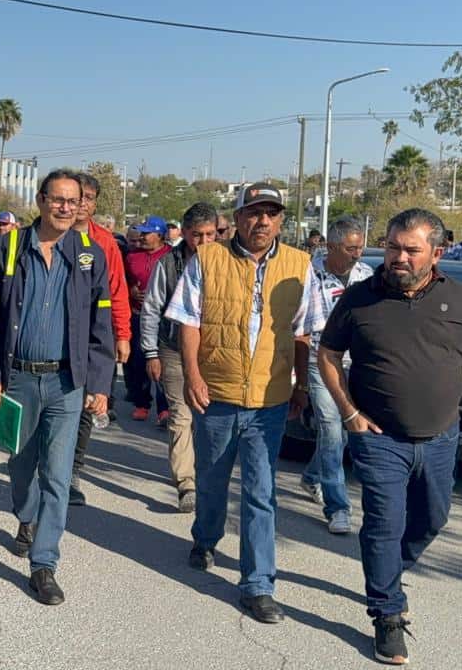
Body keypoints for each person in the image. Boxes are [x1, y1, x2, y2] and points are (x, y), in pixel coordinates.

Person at [318, 208, 462, 665]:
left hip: (442, 438)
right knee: (384, 522)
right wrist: (348, 413)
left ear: (436, 253)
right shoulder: (360, 298)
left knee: (432, 519)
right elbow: (327, 354)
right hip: (379, 438)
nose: (397, 257)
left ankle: (387, 567)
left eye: (410, 250)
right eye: (392, 246)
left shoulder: (461, 299)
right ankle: (387, 613)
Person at [165, 181, 312, 624]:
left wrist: (302, 386)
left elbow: (303, 333)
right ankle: (206, 536)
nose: (262, 221)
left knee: (261, 492)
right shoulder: (208, 259)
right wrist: (192, 374)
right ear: (239, 216)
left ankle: (258, 584)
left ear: (281, 219)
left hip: (269, 400)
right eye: (253, 212)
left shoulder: (300, 266)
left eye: (271, 213)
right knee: (211, 479)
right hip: (217, 395)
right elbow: (189, 322)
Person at [0, 169, 115, 605]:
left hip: (67, 383)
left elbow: (100, 323)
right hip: (17, 377)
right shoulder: (8, 247)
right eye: (58, 200)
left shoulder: (90, 255)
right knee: (20, 467)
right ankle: (26, 515)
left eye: (73, 201)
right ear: (40, 200)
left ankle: (44, 563)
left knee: (58, 473)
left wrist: (100, 381)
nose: (66, 208)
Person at [142, 202, 218, 513]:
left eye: (210, 235)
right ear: (184, 233)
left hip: (214, 353)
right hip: (173, 349)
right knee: (181, 416)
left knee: (211, 417)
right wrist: (150, 352)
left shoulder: (228, 262)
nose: (203, 242)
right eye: (196, 235)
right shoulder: (168, 264)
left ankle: (210, 477)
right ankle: (186, 483)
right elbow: (151, 309)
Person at [298, 216, 373, 534]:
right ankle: (338, 506)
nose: (357, 253)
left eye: (360, 247)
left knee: (344, 433)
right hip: (320, 360)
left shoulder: (366, 275)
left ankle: (313, 476)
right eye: (351, 248)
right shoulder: (309, 274)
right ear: (330, 246)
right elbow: (298, 325)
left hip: (355, 363)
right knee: (330, 428)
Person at [67, 173, 132, 507]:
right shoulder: (46, 234)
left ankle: (72, 473)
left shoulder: (105, 243)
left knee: (85, 408)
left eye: (89, 198)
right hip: (53, 337)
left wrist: (123, 335)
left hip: (92, 338)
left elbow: (117, 291)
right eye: (78, 196)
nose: (82, 204)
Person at [124, 215, 171, 423]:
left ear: (159, 235)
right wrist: (131, 291)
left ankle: (164, 408)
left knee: (162, 363)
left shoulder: (171, 255)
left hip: (164, 318)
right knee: (139, 361)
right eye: (140, 233)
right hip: (138, 315)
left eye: (146, 233)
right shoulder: (132, 257)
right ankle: (142, 403)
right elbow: (122, 281)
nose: (141, 237)